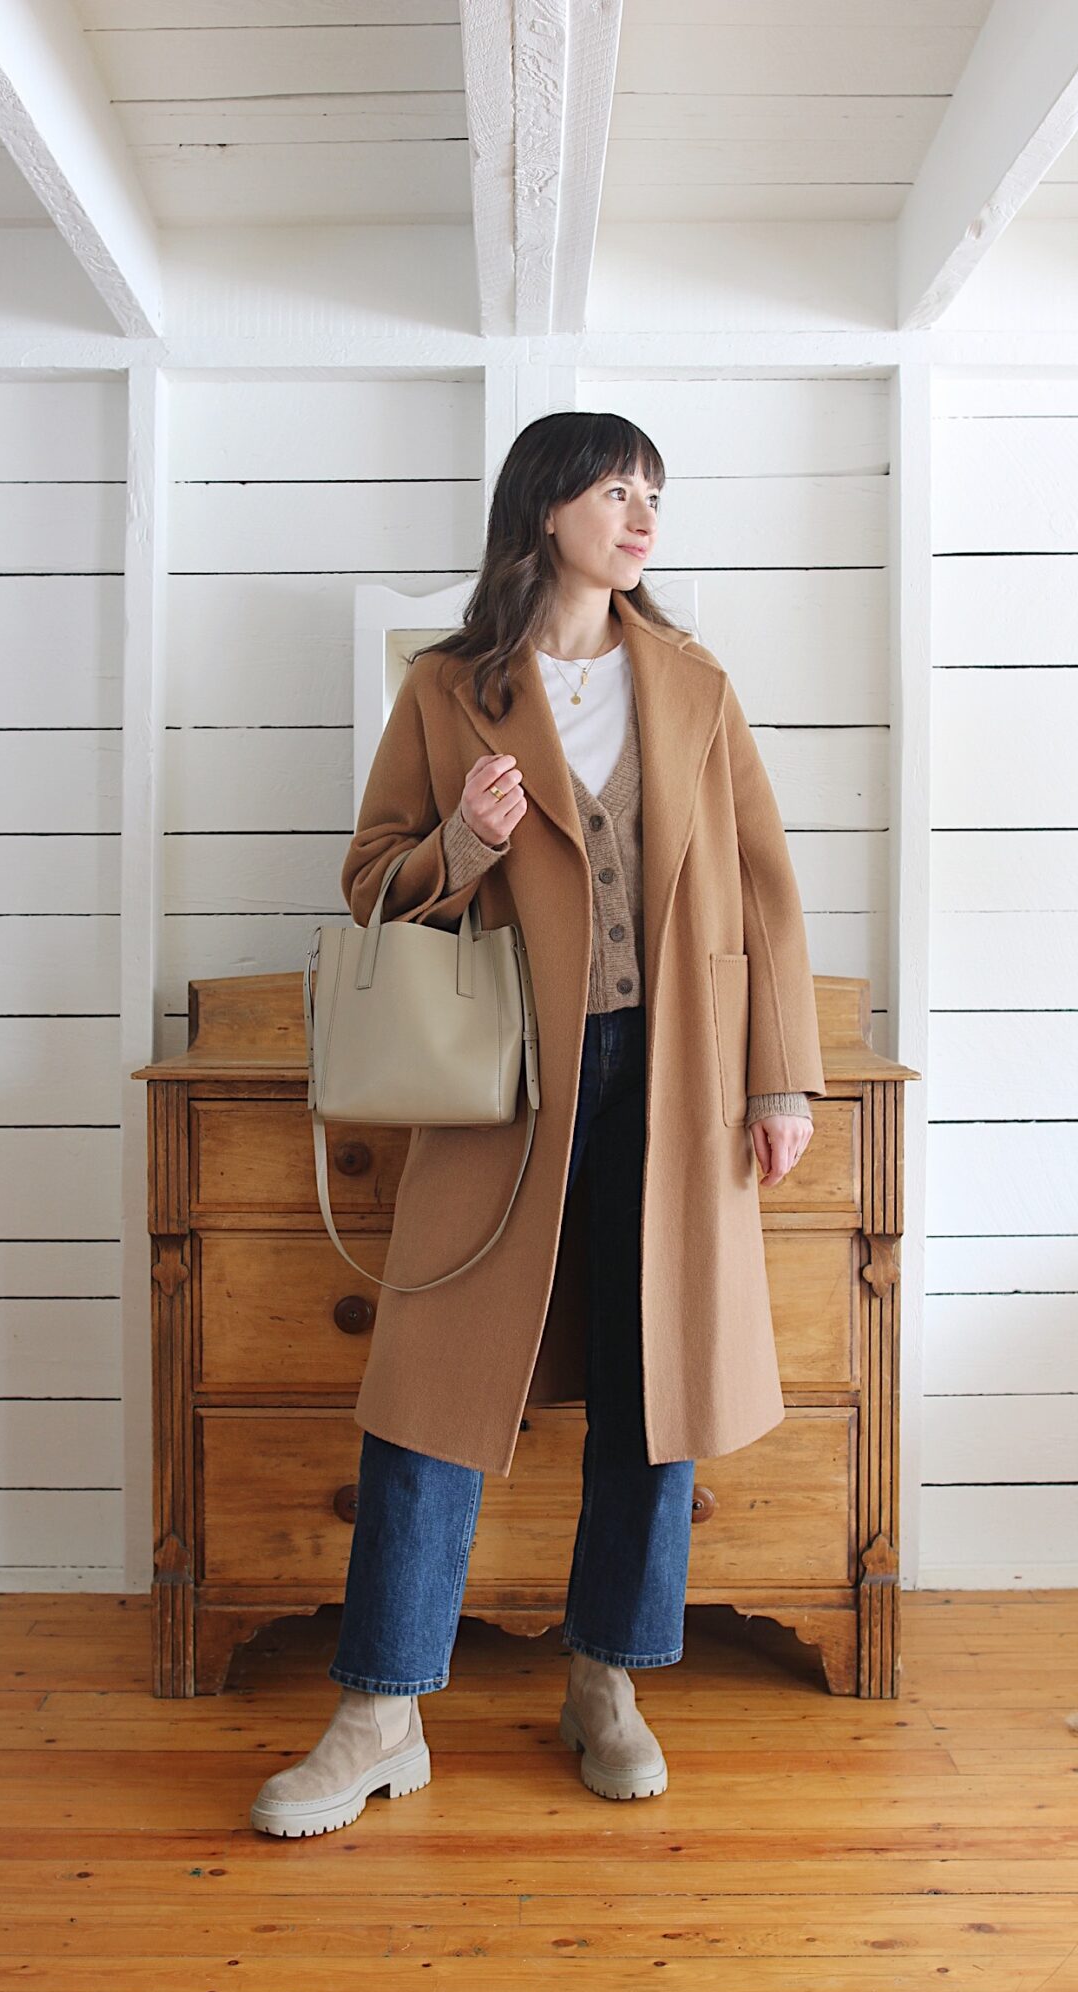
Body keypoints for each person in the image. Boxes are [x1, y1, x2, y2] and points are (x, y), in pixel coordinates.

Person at [251, 413, 820, 1840]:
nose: (640, 516)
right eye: (613, 489)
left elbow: (762, 890)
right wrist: (470, 843)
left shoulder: (690, 682)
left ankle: (603, 1687)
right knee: (430, 1394)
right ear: (542, 507)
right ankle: (379, 1714)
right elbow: (372, 875)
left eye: (652, 494)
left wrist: (780, 1077)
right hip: (501, 1085)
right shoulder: (454, 690)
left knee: (655, 1381)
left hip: (676, 1076)